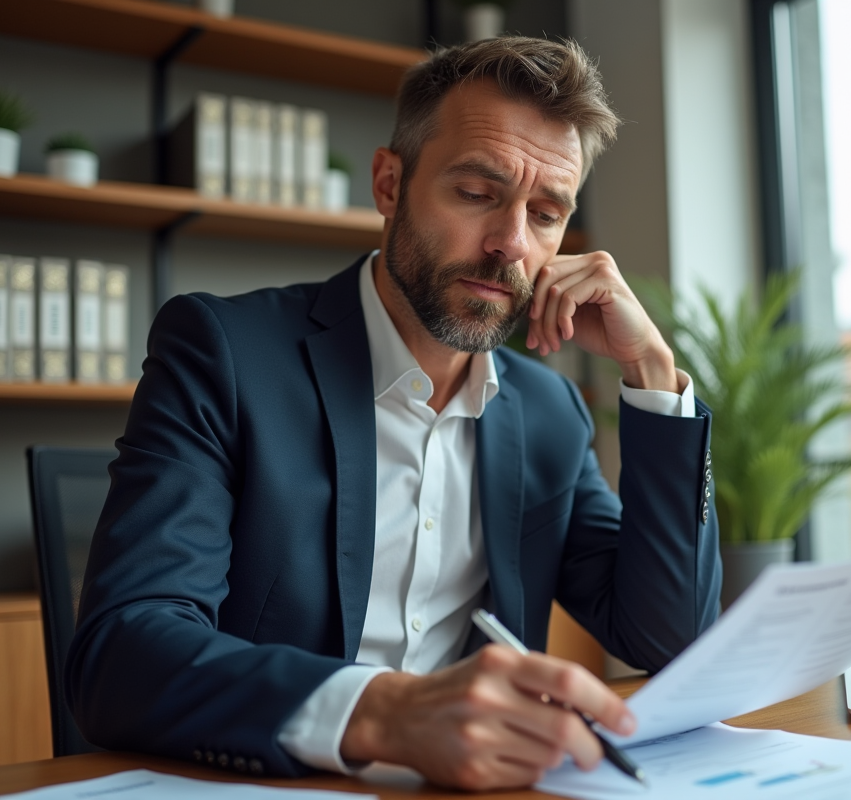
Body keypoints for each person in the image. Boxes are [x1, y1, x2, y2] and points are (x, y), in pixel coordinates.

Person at [67, 36, 721, 791]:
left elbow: (669, 639)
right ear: (389, 183)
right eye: (475, 193)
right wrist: (388, 714)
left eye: (545, 214)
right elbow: (121, 654)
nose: (511, 244)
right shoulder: (224, 354)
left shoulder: (549, 412)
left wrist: (653, 375)